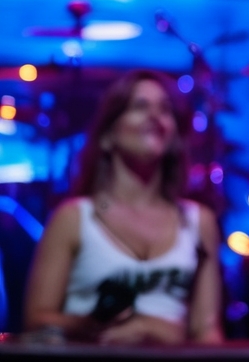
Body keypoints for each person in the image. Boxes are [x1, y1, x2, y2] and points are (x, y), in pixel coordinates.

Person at [23, 69, 223, 345]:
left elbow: (207, 332)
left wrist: (157, 331)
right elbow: (36, 320)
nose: (155, 117)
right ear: (107, 135)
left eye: (164, 109)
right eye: (139, 107)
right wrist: (93, 326)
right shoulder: (74, 217)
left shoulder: (199, 221)